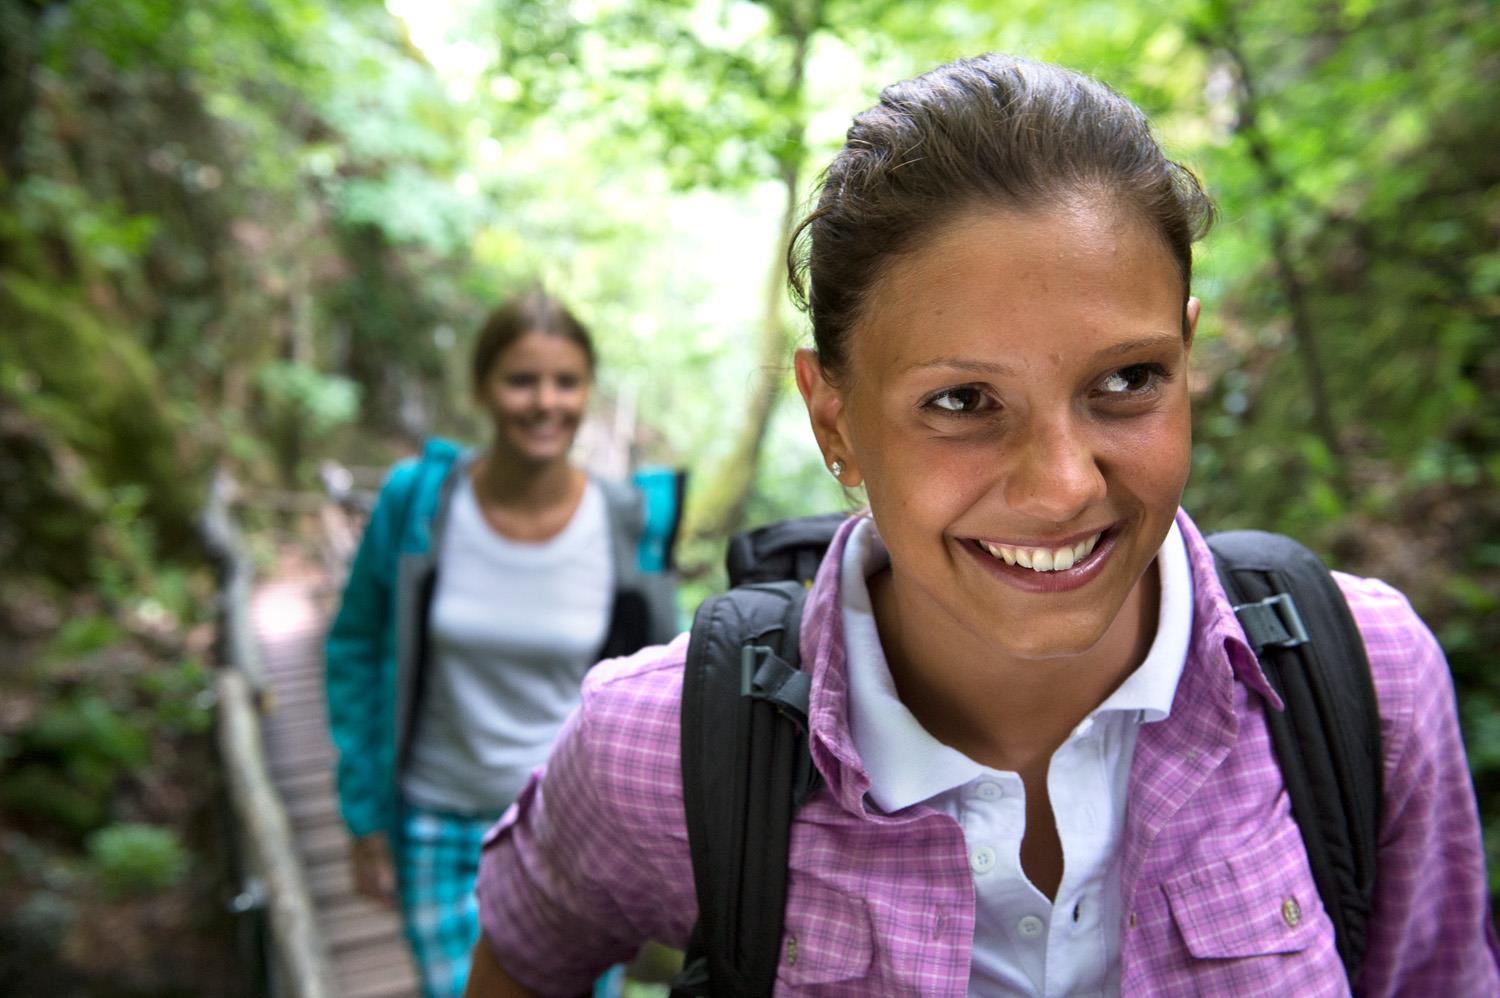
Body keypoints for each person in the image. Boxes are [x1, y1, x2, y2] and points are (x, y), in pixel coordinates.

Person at [464, 55, 1499, 996]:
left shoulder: (1363, 686)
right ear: (837, 414)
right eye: (963, 400)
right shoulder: (656, 749)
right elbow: (524, 953)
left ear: (1188, 355)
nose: (1061, 485)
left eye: (1128, 380)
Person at [324, 288, 680, 998]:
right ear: (484, 387)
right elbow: (357, 646)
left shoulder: (624, 524)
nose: (545, 402)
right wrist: (364, 818)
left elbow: (657, 698)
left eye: (566, 381)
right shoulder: (417, 503)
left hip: (570, 841)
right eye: (522, 380)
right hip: (437, 828)